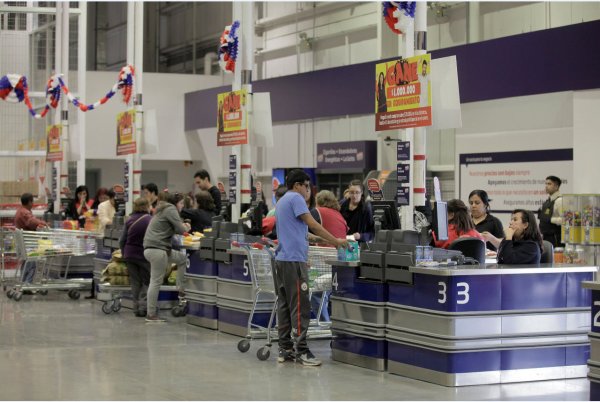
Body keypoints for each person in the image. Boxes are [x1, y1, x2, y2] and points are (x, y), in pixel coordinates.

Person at [274, 169, 348, 366]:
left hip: (281, 261)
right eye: (307, 186)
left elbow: (303, 233)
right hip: (294, 262)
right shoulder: (296, 199)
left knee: (284, 305)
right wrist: (336, 241)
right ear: (298, 185)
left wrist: (319, 239)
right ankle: (302, 351)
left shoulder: (281, 201)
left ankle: (285, 349)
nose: (308, 191)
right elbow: (312, 224)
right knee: (300, 306)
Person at [143, 192, 191, 322]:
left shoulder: (162, 209)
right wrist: (187, 226)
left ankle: (181, 289)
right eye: (181, 203)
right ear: (176, 203)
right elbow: (182, 230)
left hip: (154, 248)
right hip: (158, 250)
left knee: (182, 259)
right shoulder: (170, 209)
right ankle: (151, 315)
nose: (182, 206)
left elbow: (169, 228)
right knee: (155, 282)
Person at [309, 190, 349, 322]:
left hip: (321, 258)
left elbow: (306, 231)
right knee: (325, 292)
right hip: (338, 259)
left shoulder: (316, 212)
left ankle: (325, 323)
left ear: (318, 201)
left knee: (316, 293)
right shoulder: (340, 216)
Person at [119, 198, 153, 317]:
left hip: (129, 254)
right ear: (147, 206)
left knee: (135, 282)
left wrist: (124, 254)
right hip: (144, 255)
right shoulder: (150, 220)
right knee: (146, 281)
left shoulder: (129, 220)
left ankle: (135, 308)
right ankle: (143, 308)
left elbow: (122, 240)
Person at [15, 193, 49, 285]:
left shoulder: (20, 211)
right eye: (32, 201)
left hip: (25, 243)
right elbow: (31, 221)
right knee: (33, 263)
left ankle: (23, 282)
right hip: (28, 243)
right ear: (29, 202)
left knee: (27, 263)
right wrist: (43, 223)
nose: (33, 203)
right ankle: (27, 284)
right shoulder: (24, 212)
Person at [538, 175, 563, 247]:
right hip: (546, 237)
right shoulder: (547, 201)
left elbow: (565, 220)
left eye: (549, 184)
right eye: (546, 184)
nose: (546, 186)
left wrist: (550, 219)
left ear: (556, 186)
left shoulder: (559, 201)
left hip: (555, 238)